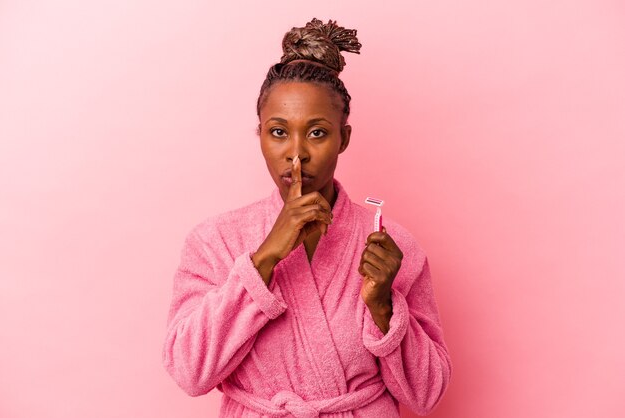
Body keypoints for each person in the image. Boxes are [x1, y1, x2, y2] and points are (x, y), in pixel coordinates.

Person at [162, 18, 452, 418]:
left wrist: (383, 305)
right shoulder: (214, 241)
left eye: (316, 133)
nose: (296, 154)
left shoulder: (390, 246)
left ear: (343, 138)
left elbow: (428, 394)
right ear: (260, 134)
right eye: (279, 132)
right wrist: (262, 260)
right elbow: (189, 372)